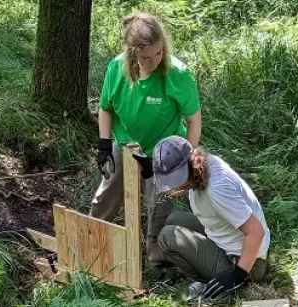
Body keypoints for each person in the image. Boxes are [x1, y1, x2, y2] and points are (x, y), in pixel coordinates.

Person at [90, 12, 202, 266]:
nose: (153, 62)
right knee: (107, 191)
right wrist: (105, 144)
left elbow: (194, 119)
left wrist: (187, 155)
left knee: (161, 198)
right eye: (145, 58)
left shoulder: (177, 74)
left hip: (164, 148)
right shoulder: (116, 69)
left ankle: (155, 246)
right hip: (126, 144)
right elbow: (105, 108)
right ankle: (94, 233)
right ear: (132, 55)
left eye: (158, 54)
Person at [151, 136, 271, 301]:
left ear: (190, 164)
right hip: (227, 239)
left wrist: (238, 275)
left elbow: (256, 232)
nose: (175, 187)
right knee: (174, 218)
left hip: (248, 262)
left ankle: (210, 281)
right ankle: (211, 266)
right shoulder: (203, 165)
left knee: (167, 236)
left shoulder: (217, 189)